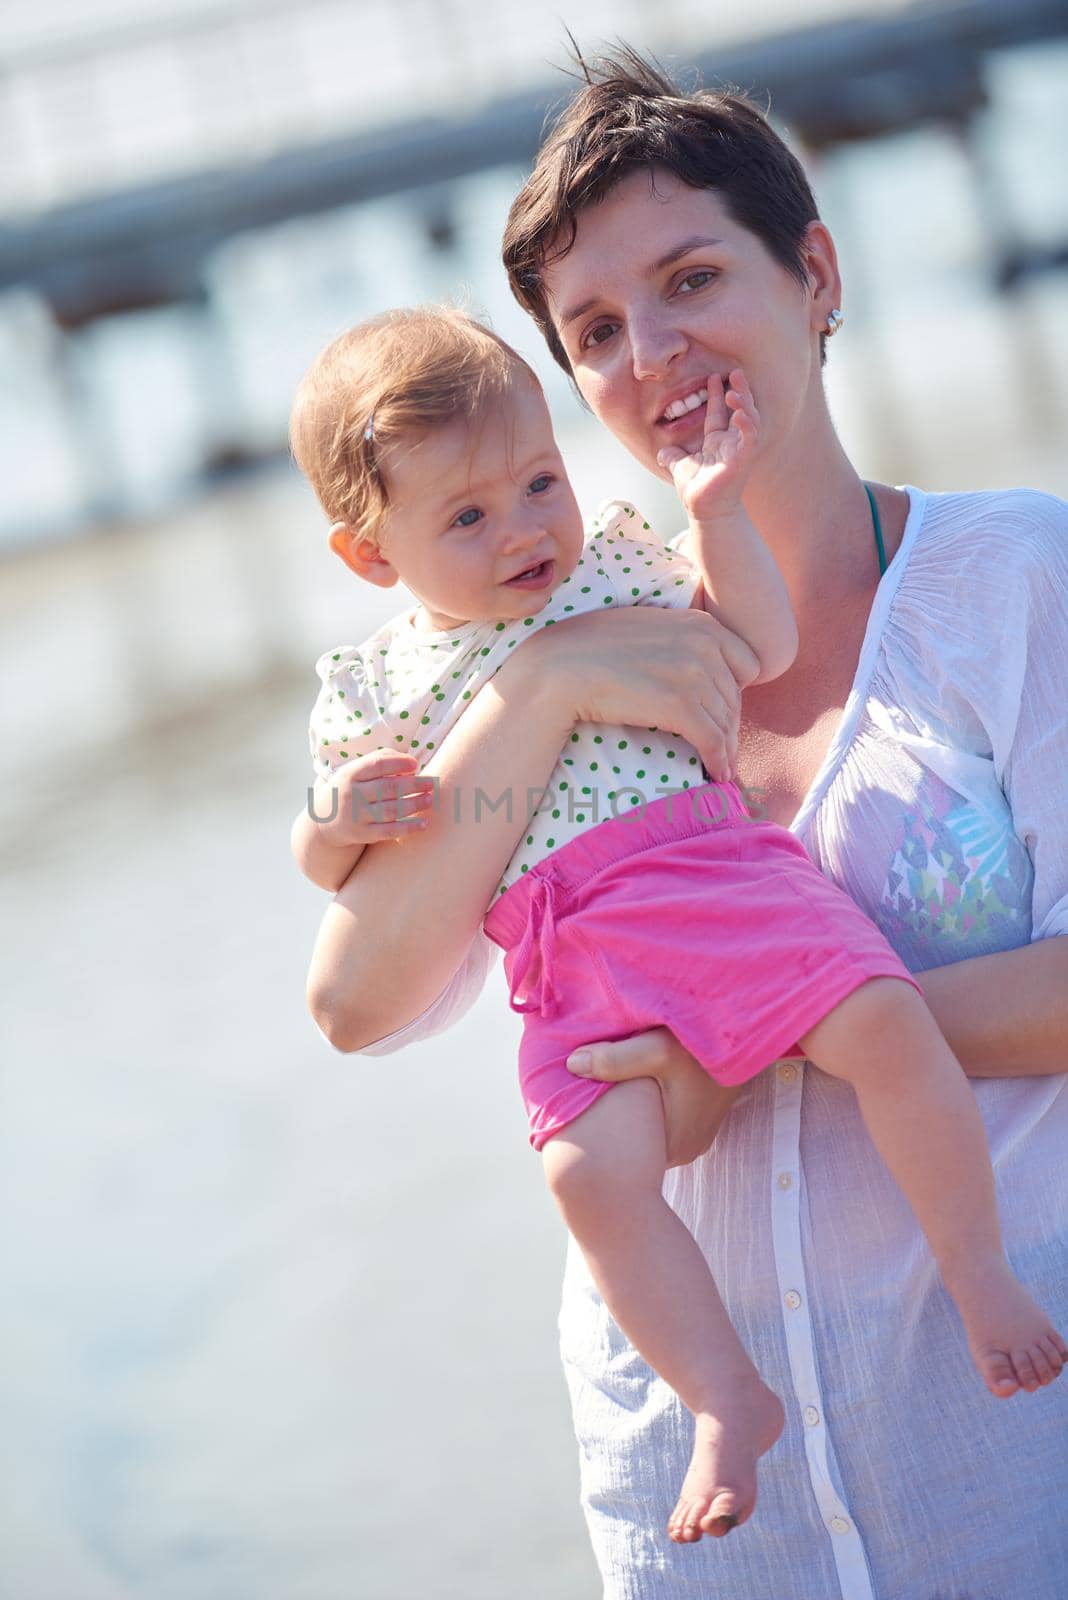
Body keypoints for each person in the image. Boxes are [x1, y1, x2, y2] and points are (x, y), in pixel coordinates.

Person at [299, 54, 1068, 1597]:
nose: (651, 352)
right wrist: (548, 695)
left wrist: (766, 1028)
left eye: (692, 277)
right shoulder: (521, 651)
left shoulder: (1018, 579)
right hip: (699, 1511)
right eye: (594, 332)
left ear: (815, 273)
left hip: (1003, 1465)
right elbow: (355, 1002)